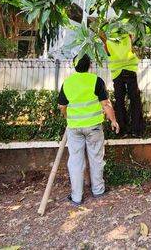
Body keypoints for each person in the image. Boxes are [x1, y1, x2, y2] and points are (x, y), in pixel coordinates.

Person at [58, 54, 120, 206]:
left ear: (75, 65)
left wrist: (67, 117)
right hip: (94, 127)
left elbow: (62, 106)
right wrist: (113, 120)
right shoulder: (96, 80)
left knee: (75, 161)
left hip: (74, 128)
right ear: (90, 65)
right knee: (96, 158)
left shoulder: (67, 83)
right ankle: (98, 190)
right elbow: (105, 104)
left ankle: (77, 196)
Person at [100, 30, 144, 136]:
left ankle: (122, 130)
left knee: (119, 101)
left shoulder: (108, 40)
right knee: (134, 100)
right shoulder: (128, 37)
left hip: (117, 73)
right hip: (130, 70)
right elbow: (133, 50)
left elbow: (107, 52)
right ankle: (136, 130)